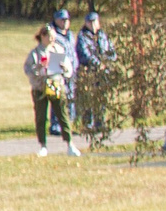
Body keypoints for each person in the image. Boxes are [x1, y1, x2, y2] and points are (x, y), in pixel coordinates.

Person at [24, 27, 76, 157]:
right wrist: (38, 68)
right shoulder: (35, 53)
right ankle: (43, 145)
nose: (52, 39)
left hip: (55, 84)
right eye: (49, 36)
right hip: (40, 87)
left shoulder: (58, 49)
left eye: (53, 36)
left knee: (62, 115)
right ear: (42, 36)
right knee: (41, 117)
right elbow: (28, 70)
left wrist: (64, 69)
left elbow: (68, 69)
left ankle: (69, 143)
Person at [71, 8, 111, 133]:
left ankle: (100, 122)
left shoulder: (103, 35)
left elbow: (111, 50)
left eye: (95, 22)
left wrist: (109, 60)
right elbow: (84, 54)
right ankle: (87, 124)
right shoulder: (83, 36)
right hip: (88, 71)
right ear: (86, 23)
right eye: (90, 22)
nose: (93, 25)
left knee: (101, 97)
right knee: (87, 97)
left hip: (102, 72)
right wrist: (98, 64)